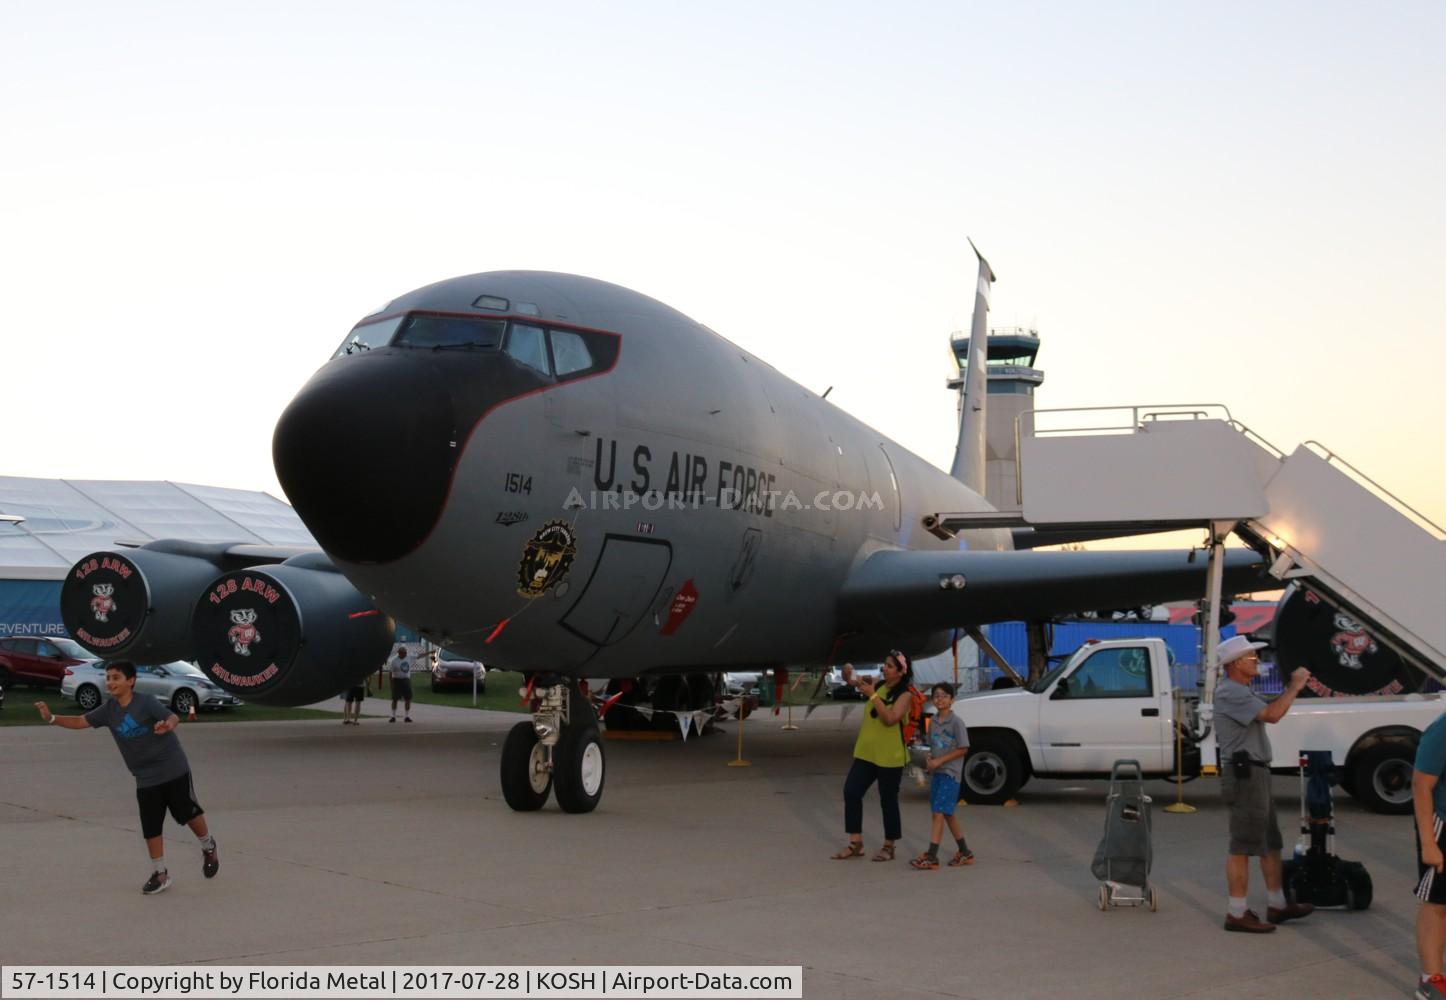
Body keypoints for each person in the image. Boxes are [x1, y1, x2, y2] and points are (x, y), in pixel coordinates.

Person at [35, 660, 219, 895]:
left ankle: (208, 845)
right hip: (144, 776)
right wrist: (51, 718)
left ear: (130, 681)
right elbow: (81, 721)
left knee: (187, 812)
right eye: (108, 677)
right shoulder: (109, 710)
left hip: (172, 768)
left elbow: (172, 716)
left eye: (116, 677)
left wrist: (168, 725)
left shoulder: (146, 702)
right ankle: (160, 873)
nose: (110, 682)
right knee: (151, 824)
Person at [1212, 634, 1314, 932]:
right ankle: (1237, 912)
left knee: (1270, 842)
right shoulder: (1231, 692)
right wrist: (1294, 686)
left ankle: (1277, 904)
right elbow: (1272, 714)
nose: (1257, 662)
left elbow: (1269, 710)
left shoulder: (1240, 690)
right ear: (1234, 664)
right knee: (1243, 844)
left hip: (1255, 771)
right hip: (1245, 774)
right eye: (1251, 658)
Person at [831, 650, 915, 862]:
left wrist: (873, 695)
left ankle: (889, 845)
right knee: (851, 791)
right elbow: (852, 680)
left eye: (889, 666)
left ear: (901, 671)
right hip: (866, 752)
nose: (884, 668)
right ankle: (856, 842)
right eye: (884, 664)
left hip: (890, 756)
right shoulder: (877, 683)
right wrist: (848, 672)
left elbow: (890, 718)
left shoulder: (906, 695)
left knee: (888, 800)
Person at [910, 682, 974, 869]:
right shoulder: (934, 722)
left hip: (951, 774)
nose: (940, 699)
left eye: (944, 695)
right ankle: (965, 852)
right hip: (937, 773)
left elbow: (963, 748)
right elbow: (931, 746)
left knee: (938, 813)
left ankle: (932, 855)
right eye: (936, 695)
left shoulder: (956, 722)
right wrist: (928, 760)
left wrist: (940, 761)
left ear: (952, 700)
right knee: (947, 814)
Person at [1411, 713, 1446, 999]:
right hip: (1443, 826)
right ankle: (1431, 981)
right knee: (1438, 903)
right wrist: (1428, 843)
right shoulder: (1443, 728)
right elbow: (1421, 785)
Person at [387, 644, 414, 723]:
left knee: (408, 698)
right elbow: (390, 673)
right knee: (395, 699)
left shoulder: (409, 658)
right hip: (397, 680)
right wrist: (391, 684)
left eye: (404, 652)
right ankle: (393, 716)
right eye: (401, 652)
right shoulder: (394, 661)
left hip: (406, 680)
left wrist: (431, 652)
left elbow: (420, 656)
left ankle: (407, 716)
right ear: (399, 653)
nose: (403, 654)